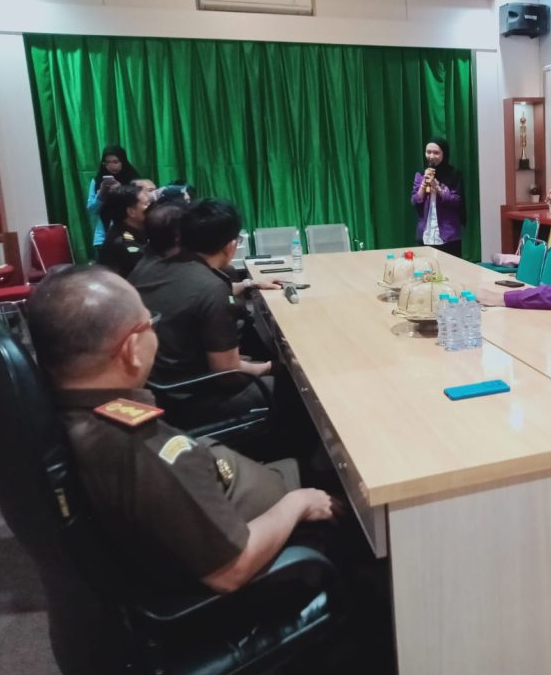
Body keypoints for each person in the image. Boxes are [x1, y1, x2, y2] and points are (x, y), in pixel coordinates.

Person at [25, 266, 342, 596]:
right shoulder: (140, 447)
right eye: (150, 323)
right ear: (131, 350)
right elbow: (232, 569)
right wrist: (300, 503)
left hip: (234, 492)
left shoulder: (72, 414)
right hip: (275, 538)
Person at [130, 199, 274, 426]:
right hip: (188, 397)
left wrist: (249, 284)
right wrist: (271, 367)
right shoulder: (211, 288)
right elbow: (228, 374)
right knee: (291, 385)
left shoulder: (150, 266)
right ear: (231, 246)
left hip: (154, 387)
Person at [411, 136, 464, 258]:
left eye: (436, 153)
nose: (431, 156)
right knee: (425, 268)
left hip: (448, 235)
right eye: (428, 152)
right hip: (425, 234)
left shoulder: (454, 174)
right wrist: (423, 185)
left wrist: (437, 187)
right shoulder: (420, 174)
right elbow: (415, 201)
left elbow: (456, 201)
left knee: (451, 268)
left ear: (444, 154)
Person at [86, 145, 141, 252]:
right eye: (107, 162)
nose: (111, 166)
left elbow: (138, 205)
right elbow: (92, 210)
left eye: (115, 162)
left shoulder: (134, 180)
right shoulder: (97, 181)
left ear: (123, 161)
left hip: (130, 235)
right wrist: (101, 195)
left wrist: (121, 189)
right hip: (103, 236)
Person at [96, 184, 150, 278]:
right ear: (131, 212)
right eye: (146, 204)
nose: (153, 207)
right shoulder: (125, 244)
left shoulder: (135, 230)